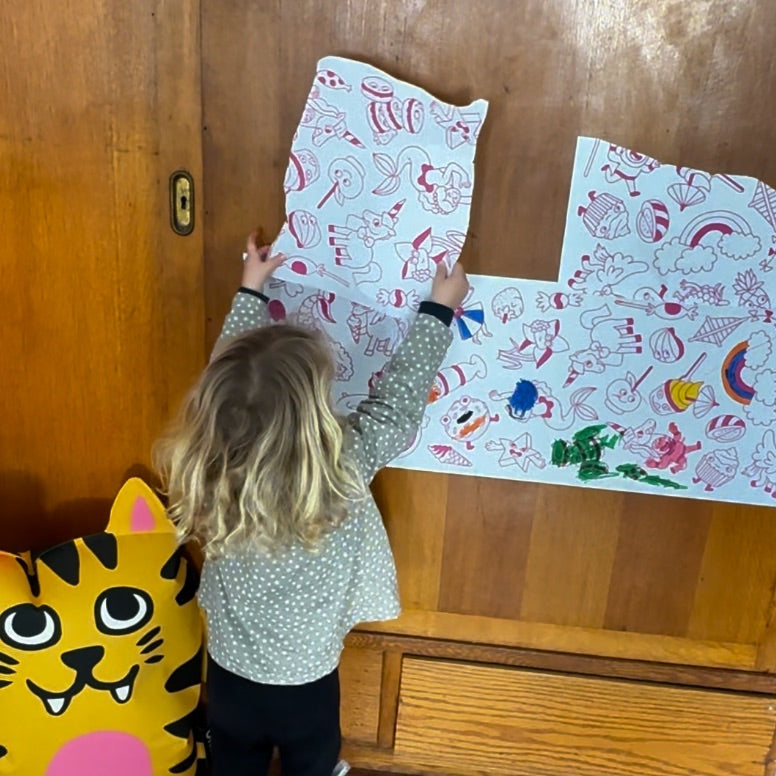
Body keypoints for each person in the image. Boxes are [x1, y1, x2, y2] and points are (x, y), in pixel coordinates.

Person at [153, 231, 469, 776]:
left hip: (230, 671)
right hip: (308, 676)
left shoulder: (209, 466)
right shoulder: (342, 462)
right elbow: (396, 404)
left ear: (213, 411)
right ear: (315, 413)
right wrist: (438, 310)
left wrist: (250, 291)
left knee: (232, 753)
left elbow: (225, 376)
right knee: (313, 754)